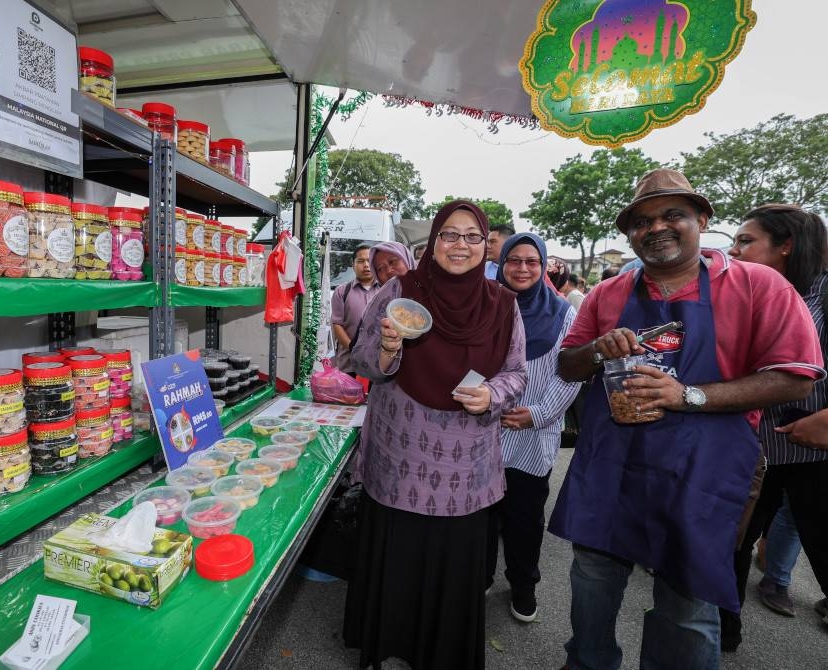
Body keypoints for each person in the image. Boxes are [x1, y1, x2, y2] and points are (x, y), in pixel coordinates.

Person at [548, 169, 823, 670]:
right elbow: (567, 364)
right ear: (630, 232)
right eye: (642, 220)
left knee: (688, 601)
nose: (656, 227)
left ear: (701, 218)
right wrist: (595, 351)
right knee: (592, 580)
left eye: (672, 214)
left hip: (702, 468)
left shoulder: (758, 285)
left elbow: (796, 376)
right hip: (613, 461)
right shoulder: (610, 292)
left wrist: (687, 394)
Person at [343, 200, 527, 670]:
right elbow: (362, 364)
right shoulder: (399, 291)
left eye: (472, 236)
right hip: (399, 455)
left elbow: (516, 373)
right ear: (433, 242)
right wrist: (387, 349)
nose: (460, 245)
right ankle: (386, 645)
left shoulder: (503, 303)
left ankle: (440, 653)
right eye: (449, 234)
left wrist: (492, 395)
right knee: (399, 557)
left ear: (486, 245)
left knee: (450, 561)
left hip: (464, 468)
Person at [720, 204, 828, 645]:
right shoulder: (742, 294)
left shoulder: (821, 293)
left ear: (786, 246)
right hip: (752, 446)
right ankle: (724, 628)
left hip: (813, 450)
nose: (735, 250)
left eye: (747, 241)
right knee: (733, 542)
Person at [488, 233, 582, 622]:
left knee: (524, 521)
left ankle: (523, 584)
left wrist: (538, 413)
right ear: (502, 263)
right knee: (480, 517)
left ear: (543, 267)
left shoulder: (564, 314)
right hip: (484, 432)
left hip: (532, 438)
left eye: (532, 261)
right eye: (514, 260)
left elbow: (573, 375)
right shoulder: (486, 306)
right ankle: (477, 576)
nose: (522, 268)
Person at [330, 244, 379, 373]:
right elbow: (337, 325)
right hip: (349, 363)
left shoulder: (385, 290)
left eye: (369, 261)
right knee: (347, 393)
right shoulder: (342, 292)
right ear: (353, 265)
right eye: (361, 261)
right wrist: (354, 349)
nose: (366, 265)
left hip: (379, 363)